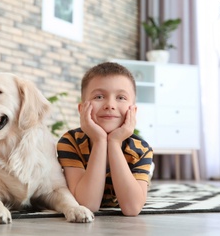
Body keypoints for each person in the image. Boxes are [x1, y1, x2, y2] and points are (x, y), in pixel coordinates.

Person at [57, 62, 153, 216]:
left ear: (133, 111)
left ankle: (145, 180)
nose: (110, 105)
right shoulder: (71, 142)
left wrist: (114, 143)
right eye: (99, 97)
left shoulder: (141, 149)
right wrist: (100, 141)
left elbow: (132, 208)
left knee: (140, 189)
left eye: (121, 97)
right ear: (82, 109)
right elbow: (87, 205)